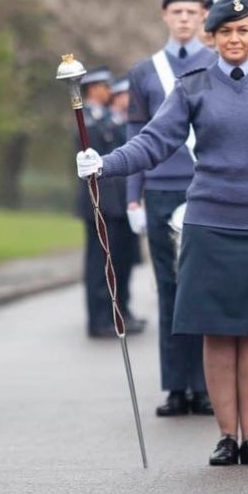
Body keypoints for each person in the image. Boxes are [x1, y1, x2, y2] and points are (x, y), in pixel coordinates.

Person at [77, 0, 248, 466]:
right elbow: (153, 143)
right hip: (209, 220)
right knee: (218, 333)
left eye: (243, 31)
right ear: (213, 36)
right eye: (226, 32)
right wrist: (104, 163)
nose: (235, 39)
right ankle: (227, 436)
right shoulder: (192, 86)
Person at [124, 0, 216, 417]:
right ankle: (176, 386)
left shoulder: (217, 64)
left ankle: (205, 384)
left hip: (206, 189)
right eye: (176, 11)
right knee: (168, 289)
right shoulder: (145, 71)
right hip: (160, 188)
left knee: (203, 288)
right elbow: (136, 135)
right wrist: (132, 197)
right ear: (165, 16)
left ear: (203, 18)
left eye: (191, 12)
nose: (183, 18)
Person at [75, 67, 142, 337]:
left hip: (114, 204)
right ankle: (100, 318)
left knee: (116, 263)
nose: (110, 92)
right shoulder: (89, 120)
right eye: (105, 86)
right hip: (100, 203)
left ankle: (114, 314)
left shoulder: (106, 119)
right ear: (93, 89)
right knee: (99, 265)